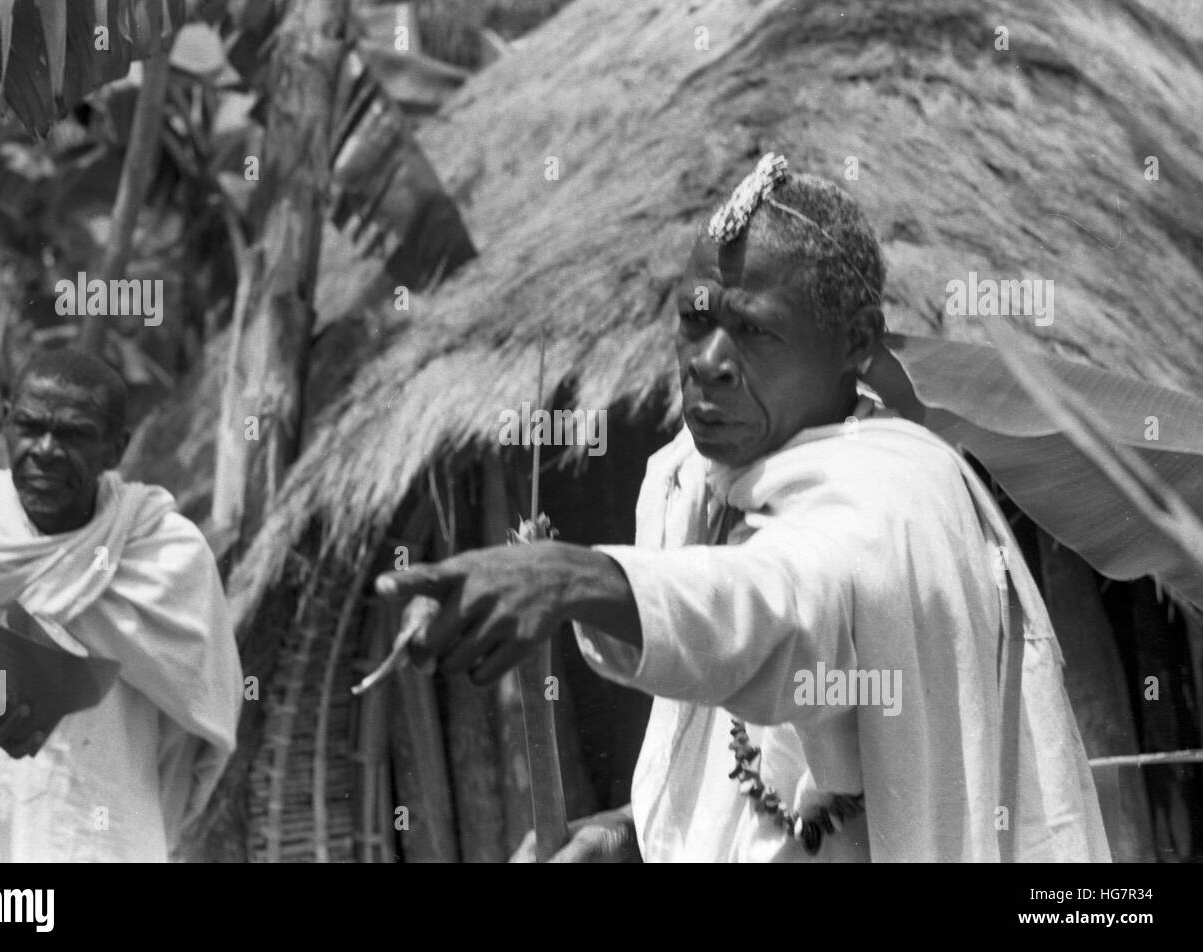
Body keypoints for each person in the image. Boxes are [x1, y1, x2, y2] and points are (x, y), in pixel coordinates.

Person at [376, 153, 1111, 862]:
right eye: (695, 320)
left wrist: (572, 577)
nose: (708, 360)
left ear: (856, 341)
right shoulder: (690, 478)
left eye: (754, 329)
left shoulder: (895, 500)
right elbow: (763, 776)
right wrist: (634, 839)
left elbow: (775, 609)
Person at [0, 349, 242, 861]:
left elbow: (203, 724)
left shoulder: (168, 558)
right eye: (29, 426)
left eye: (74, 434)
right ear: (5, 422)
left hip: (93, 836)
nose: (45, 450)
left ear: (116, 448)